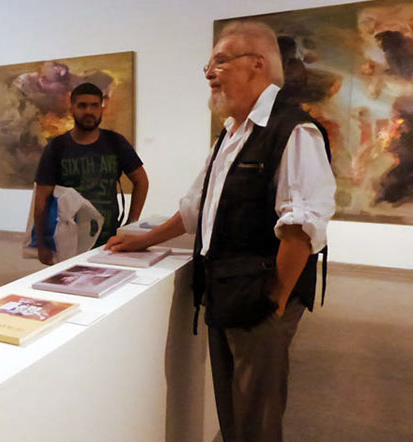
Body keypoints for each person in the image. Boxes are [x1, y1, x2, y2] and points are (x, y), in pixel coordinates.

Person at [107, 22, 336, 442]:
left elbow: (302, 227)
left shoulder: (293, 131)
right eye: (208, 65)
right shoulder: (231, 133)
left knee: (257, 418)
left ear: (257, 64)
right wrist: (142, 240)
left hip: (261, 299)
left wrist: (274, 303)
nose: (210, 73)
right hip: (226, 292)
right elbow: (197, 207)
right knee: (232, 412)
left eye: (221, 61)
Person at [34, 82, 149, 265]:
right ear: (72, 108)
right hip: (68, 241)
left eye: (94, 105)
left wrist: (131, 223)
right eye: (82, 105)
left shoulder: (115, 142)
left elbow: (141, 180)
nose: (89, 111)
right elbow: (41, 198)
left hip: (109, 239)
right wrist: (42, 242)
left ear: (101, 108)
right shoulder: (57, 148)